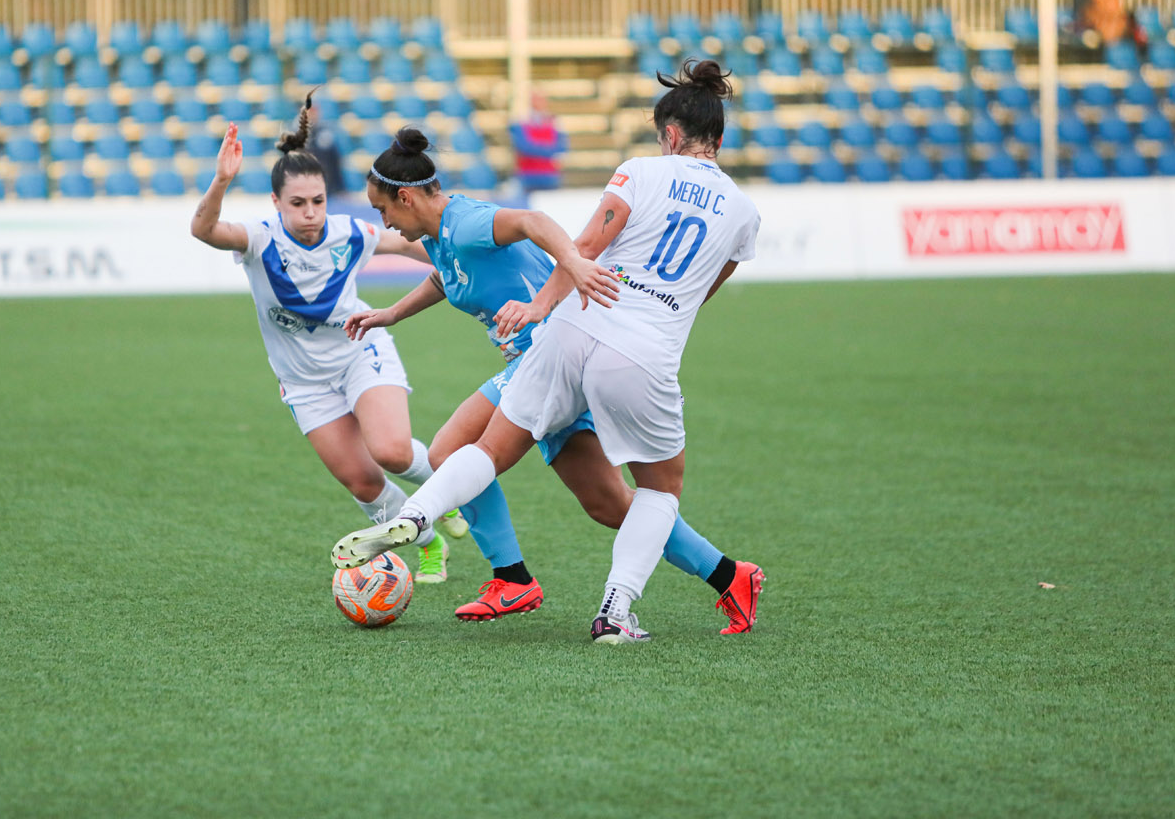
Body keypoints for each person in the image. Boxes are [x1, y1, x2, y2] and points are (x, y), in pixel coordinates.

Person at [335, 81, 766, 639]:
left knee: (496, 460)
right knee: (631, 499)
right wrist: (393, 313)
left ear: (671, 135)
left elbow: (577, 244)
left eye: (383, 210)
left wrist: (541, 305)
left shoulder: (639, 172)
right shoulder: (744, 212)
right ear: (720, 139)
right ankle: (614, 598)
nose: (386, 221)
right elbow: (700, 291)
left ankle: (432, 526)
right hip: (632, 352)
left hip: (564, 336)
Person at [190, 95, 464, 583]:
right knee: (363, 482)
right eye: (297, 204)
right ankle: (429, 543)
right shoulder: (258, 238)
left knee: (393, 452)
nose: (310, 213)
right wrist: (222, 180)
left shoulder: (348, 232)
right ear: (276, 203)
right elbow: (204, 230)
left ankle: (449, 494)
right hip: (304, 383)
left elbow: (410, 244)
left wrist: (461, 260)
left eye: (317, 201)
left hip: (360, 352)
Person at [508, 91, 565, 192]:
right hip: (528, 176)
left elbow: (561, 148)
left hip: (549, 176)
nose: (538, 102)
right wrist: (548, 149)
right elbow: (524, 148)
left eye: (541, 99)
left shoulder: (555, 122)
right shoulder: (520, 122)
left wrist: (535, 148)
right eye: (535, 99)